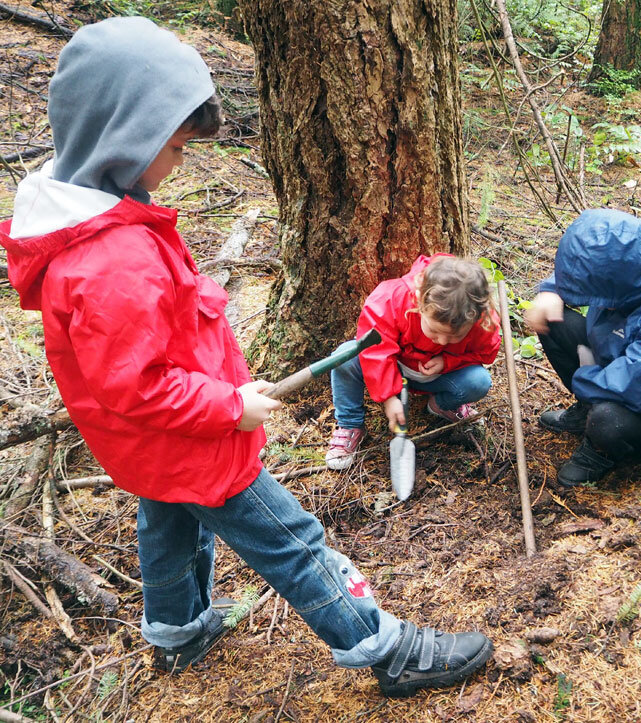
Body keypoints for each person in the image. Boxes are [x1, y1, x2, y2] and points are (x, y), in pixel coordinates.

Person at [0, 17, 493, 697]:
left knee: (170, 519)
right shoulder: (111, 258)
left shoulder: (102, 217)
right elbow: (139, 385)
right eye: (172, 146)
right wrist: (230, 405)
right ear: (121, 136)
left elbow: (158, 348)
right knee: (292, 539)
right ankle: (385, 646)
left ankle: (178, 629)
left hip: (155, 448)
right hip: (189, 437)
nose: (178, 163)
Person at [523, 209, 641, 487]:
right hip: (613, 362)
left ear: (624, 282)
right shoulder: (631, 271)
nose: (599, 302)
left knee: (607, 420)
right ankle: (587, 409)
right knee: (554, 320)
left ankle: (600, 449)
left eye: (603, 296)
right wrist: (551, 290)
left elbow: (633, 385)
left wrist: (585, 378)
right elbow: (586, 270)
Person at [325, 254, 501, 470]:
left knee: (479, 381)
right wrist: (389, 397)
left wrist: (448, 361)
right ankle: (350, 424)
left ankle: (441, 406)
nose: (443, 341)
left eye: (455, 336)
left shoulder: (482, 320)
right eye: (436, 331)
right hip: (394, 368)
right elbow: (375, 350)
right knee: (345, 356)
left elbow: (485, 353)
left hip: (438, 376)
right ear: (419, 300)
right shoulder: (392, 299)